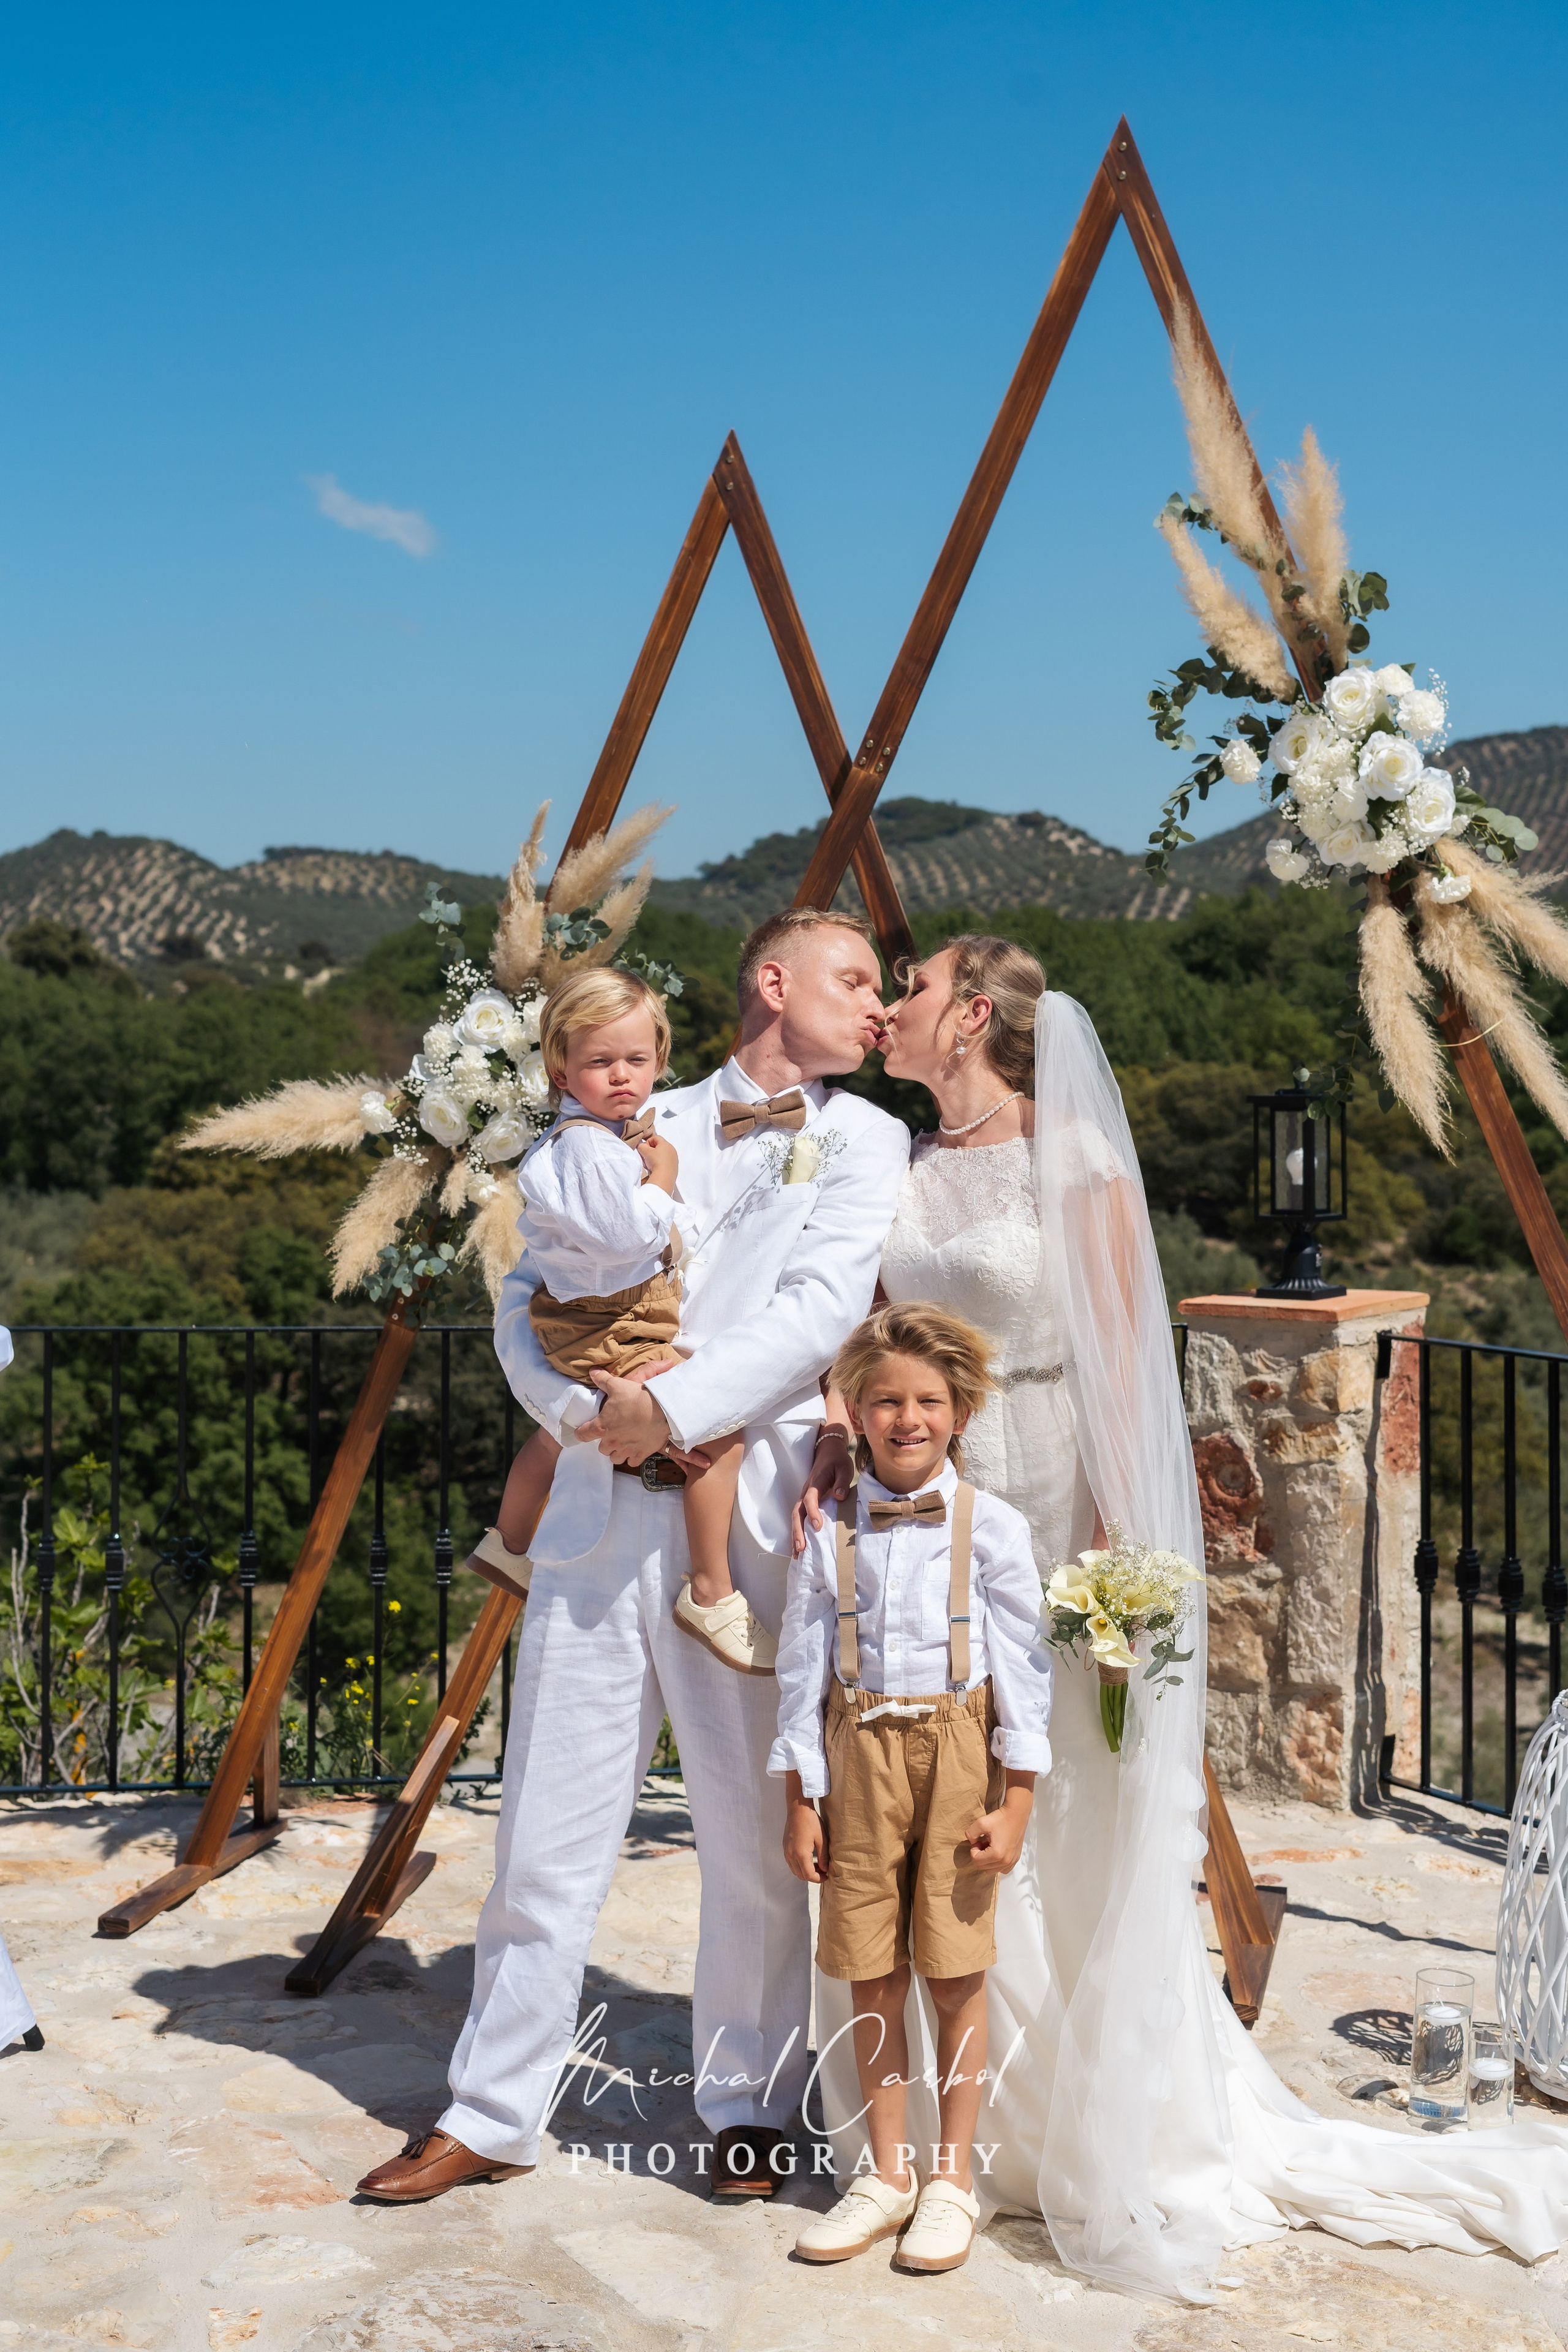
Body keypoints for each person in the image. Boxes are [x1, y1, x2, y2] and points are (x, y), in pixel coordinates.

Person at [795, 933, 1568, 2298]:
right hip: (923, 1486)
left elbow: (1116, 1356)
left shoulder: (1072, 1162)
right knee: (927, 1778)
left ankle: (1053, 2123)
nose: (892, 1006)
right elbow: (865, 1343)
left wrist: (1110, 1560)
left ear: (970, 1015)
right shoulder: (897, 1166)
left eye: (909, 990)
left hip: (1048, 1480)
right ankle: (924, 2139)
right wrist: (833, 1447)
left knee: (1052, 1783)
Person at [358, 906, 910, 2205]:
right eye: (853, 979)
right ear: (772, 982)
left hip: (749, 1510)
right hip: (599, 1507)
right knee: (545, 1828)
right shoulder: (609, 1110)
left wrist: (670, 1406)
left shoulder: (866, 1136)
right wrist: (580, 1416)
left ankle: (748, 2102)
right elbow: (520, 1296)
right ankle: (491, 2110)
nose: (876, 1004)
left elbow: (820, 1307)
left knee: (750, 1836)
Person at [774, 1302, 1051, 2274]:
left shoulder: (993, 1528)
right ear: (855, 1408)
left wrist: (1017, 1800)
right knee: (868, 1967)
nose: (907, 1419)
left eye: (928, 1400)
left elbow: (1025, 1668)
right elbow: (801, 1667)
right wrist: (801, 1795)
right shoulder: (827, 1527)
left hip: (959, 1750)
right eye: (886, 1401)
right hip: (856, 1749)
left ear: (961, 1412)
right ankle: (886, 2175)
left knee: (955, 1968)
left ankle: (951, 2182)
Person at [465, 966, 764, 1673]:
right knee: (718, 1435)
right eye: (600, 1062)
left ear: (660, 1057)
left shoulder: (599, 1139)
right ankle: (713, 1590)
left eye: (636, 1059)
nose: (622, 1077)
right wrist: (662, 1183)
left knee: (555, 1434)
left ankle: (507, 1546)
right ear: (561, 1071)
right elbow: (627, 1238)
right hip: (610, 1323)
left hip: (588, 1318)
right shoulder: (588, 1148)